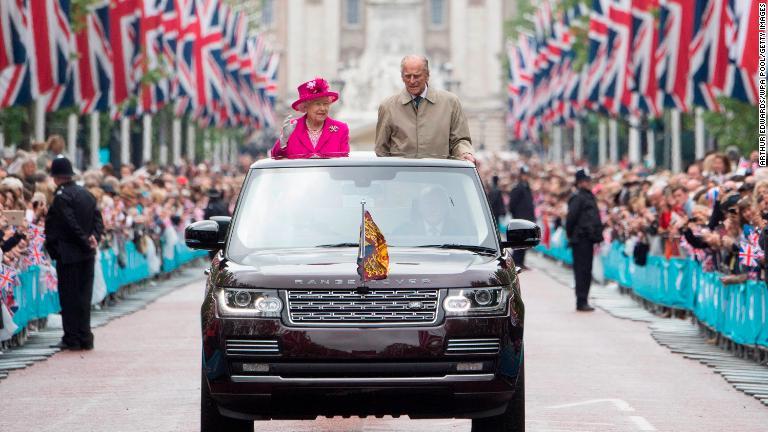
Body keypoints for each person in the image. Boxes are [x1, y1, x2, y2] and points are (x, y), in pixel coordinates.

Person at [44, 157, 104, 350]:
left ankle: (72, 337)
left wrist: (84, 240)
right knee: (84, 297)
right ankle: (85, 336)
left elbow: (69, 224)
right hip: (87, 254)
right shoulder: (86, 194)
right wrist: (94, 237)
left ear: (56, 178)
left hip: (69, 254)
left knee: (69, 297)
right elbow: (98, 220)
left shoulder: (61, 197)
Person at [375, 55, 475, 163]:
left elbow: (460, 140)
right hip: (402, 178)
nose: (412, 81)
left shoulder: (451, 103)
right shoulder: (388, 106)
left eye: (417, 76)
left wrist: (465, 153)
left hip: (439, 176)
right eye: (407, 76)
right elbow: (381, 150)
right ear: (402, 77)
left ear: (427, 76)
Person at [271, 77, 349, 159]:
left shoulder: (341, 129)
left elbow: (344, 163)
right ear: (305, 106)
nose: (322, 108)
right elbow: (275, 157)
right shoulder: (292, 128)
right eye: (317, 104)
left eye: (325, 104)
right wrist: (283, 140)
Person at [565, 169, 603, 312]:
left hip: (588, 239)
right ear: (580, 182)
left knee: (586, 270)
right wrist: (571, 235)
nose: (588, 183)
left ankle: (584, 299)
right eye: (586, 181)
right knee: (582, 271)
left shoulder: (588, 196)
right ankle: (581, 301)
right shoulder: (578, 197)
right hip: (580, 239)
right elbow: (571, 219)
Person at [508, 166, 535, 268]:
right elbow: (512, 204)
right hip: (520, 218)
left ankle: (521, 262)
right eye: (524, 175)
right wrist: (516, 217)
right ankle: (516, 262)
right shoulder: (518, 187)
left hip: (527, 219)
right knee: (519, 242)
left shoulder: (527, 187)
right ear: (521, 175)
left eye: (527, 175)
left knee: (526, 242)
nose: (526, 177)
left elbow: (530, 204)